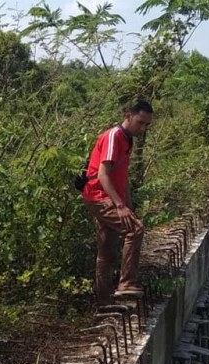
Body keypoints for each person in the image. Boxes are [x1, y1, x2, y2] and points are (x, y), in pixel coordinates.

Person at [82, 99, 153, 303]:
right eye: (140, 122)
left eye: (147, 124)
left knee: (107, 248)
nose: (143, 127)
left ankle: (104, 302)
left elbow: (122, 177)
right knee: (136, 229)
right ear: (128, 116)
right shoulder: (115, 136)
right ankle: (127, 283)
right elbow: (103, 175)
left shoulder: (127, 139)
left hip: (108, 197)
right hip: (98, 196)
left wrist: (128, 204)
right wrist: (120, 206)